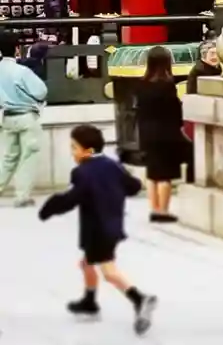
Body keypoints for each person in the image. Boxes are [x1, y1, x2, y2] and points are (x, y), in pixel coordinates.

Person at [38, 125, 157, 335]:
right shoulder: (113, 166)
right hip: (112, 225)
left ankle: (140, 299)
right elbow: (134, 186)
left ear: (88, 150)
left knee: (109, 272)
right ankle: (89, 302)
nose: (72, 153)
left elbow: (72, 199)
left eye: (74, 148)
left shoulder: (82, 173)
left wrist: (49, 208)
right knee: (86, 263)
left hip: (97, 229)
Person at [136, 46, 193, 223]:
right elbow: (175, 111)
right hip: (166, 134)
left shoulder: (141, 84)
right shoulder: (167, 85)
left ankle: (154, 208)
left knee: (153, 173)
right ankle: (163, 211)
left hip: (147, 134)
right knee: (165, 175)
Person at [0, 32, 47, 206]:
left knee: (8, 157)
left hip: (7, 117)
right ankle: (22, 196)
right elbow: (41, 91)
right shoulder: (21, 71)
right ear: (17, 49)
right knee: (28, 157)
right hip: (26, 116)